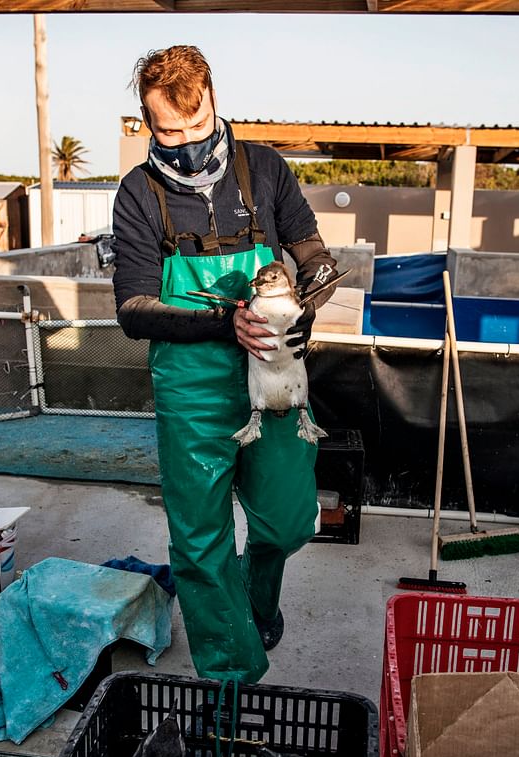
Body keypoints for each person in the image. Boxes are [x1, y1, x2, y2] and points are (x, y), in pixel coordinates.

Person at [111, 45, 340, 683]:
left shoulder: (264, 169)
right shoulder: (138, 193)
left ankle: (253, 594)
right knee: (198, 542)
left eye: (197, 125)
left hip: (273, 375)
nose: (185, 142)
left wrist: (306, 299)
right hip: (192, 388)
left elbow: (313, 254)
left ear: (215, 102)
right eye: (168, 131)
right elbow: (132, 307)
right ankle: (230, 673)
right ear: (146, 122)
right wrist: (222, 322)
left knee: (290, 520)